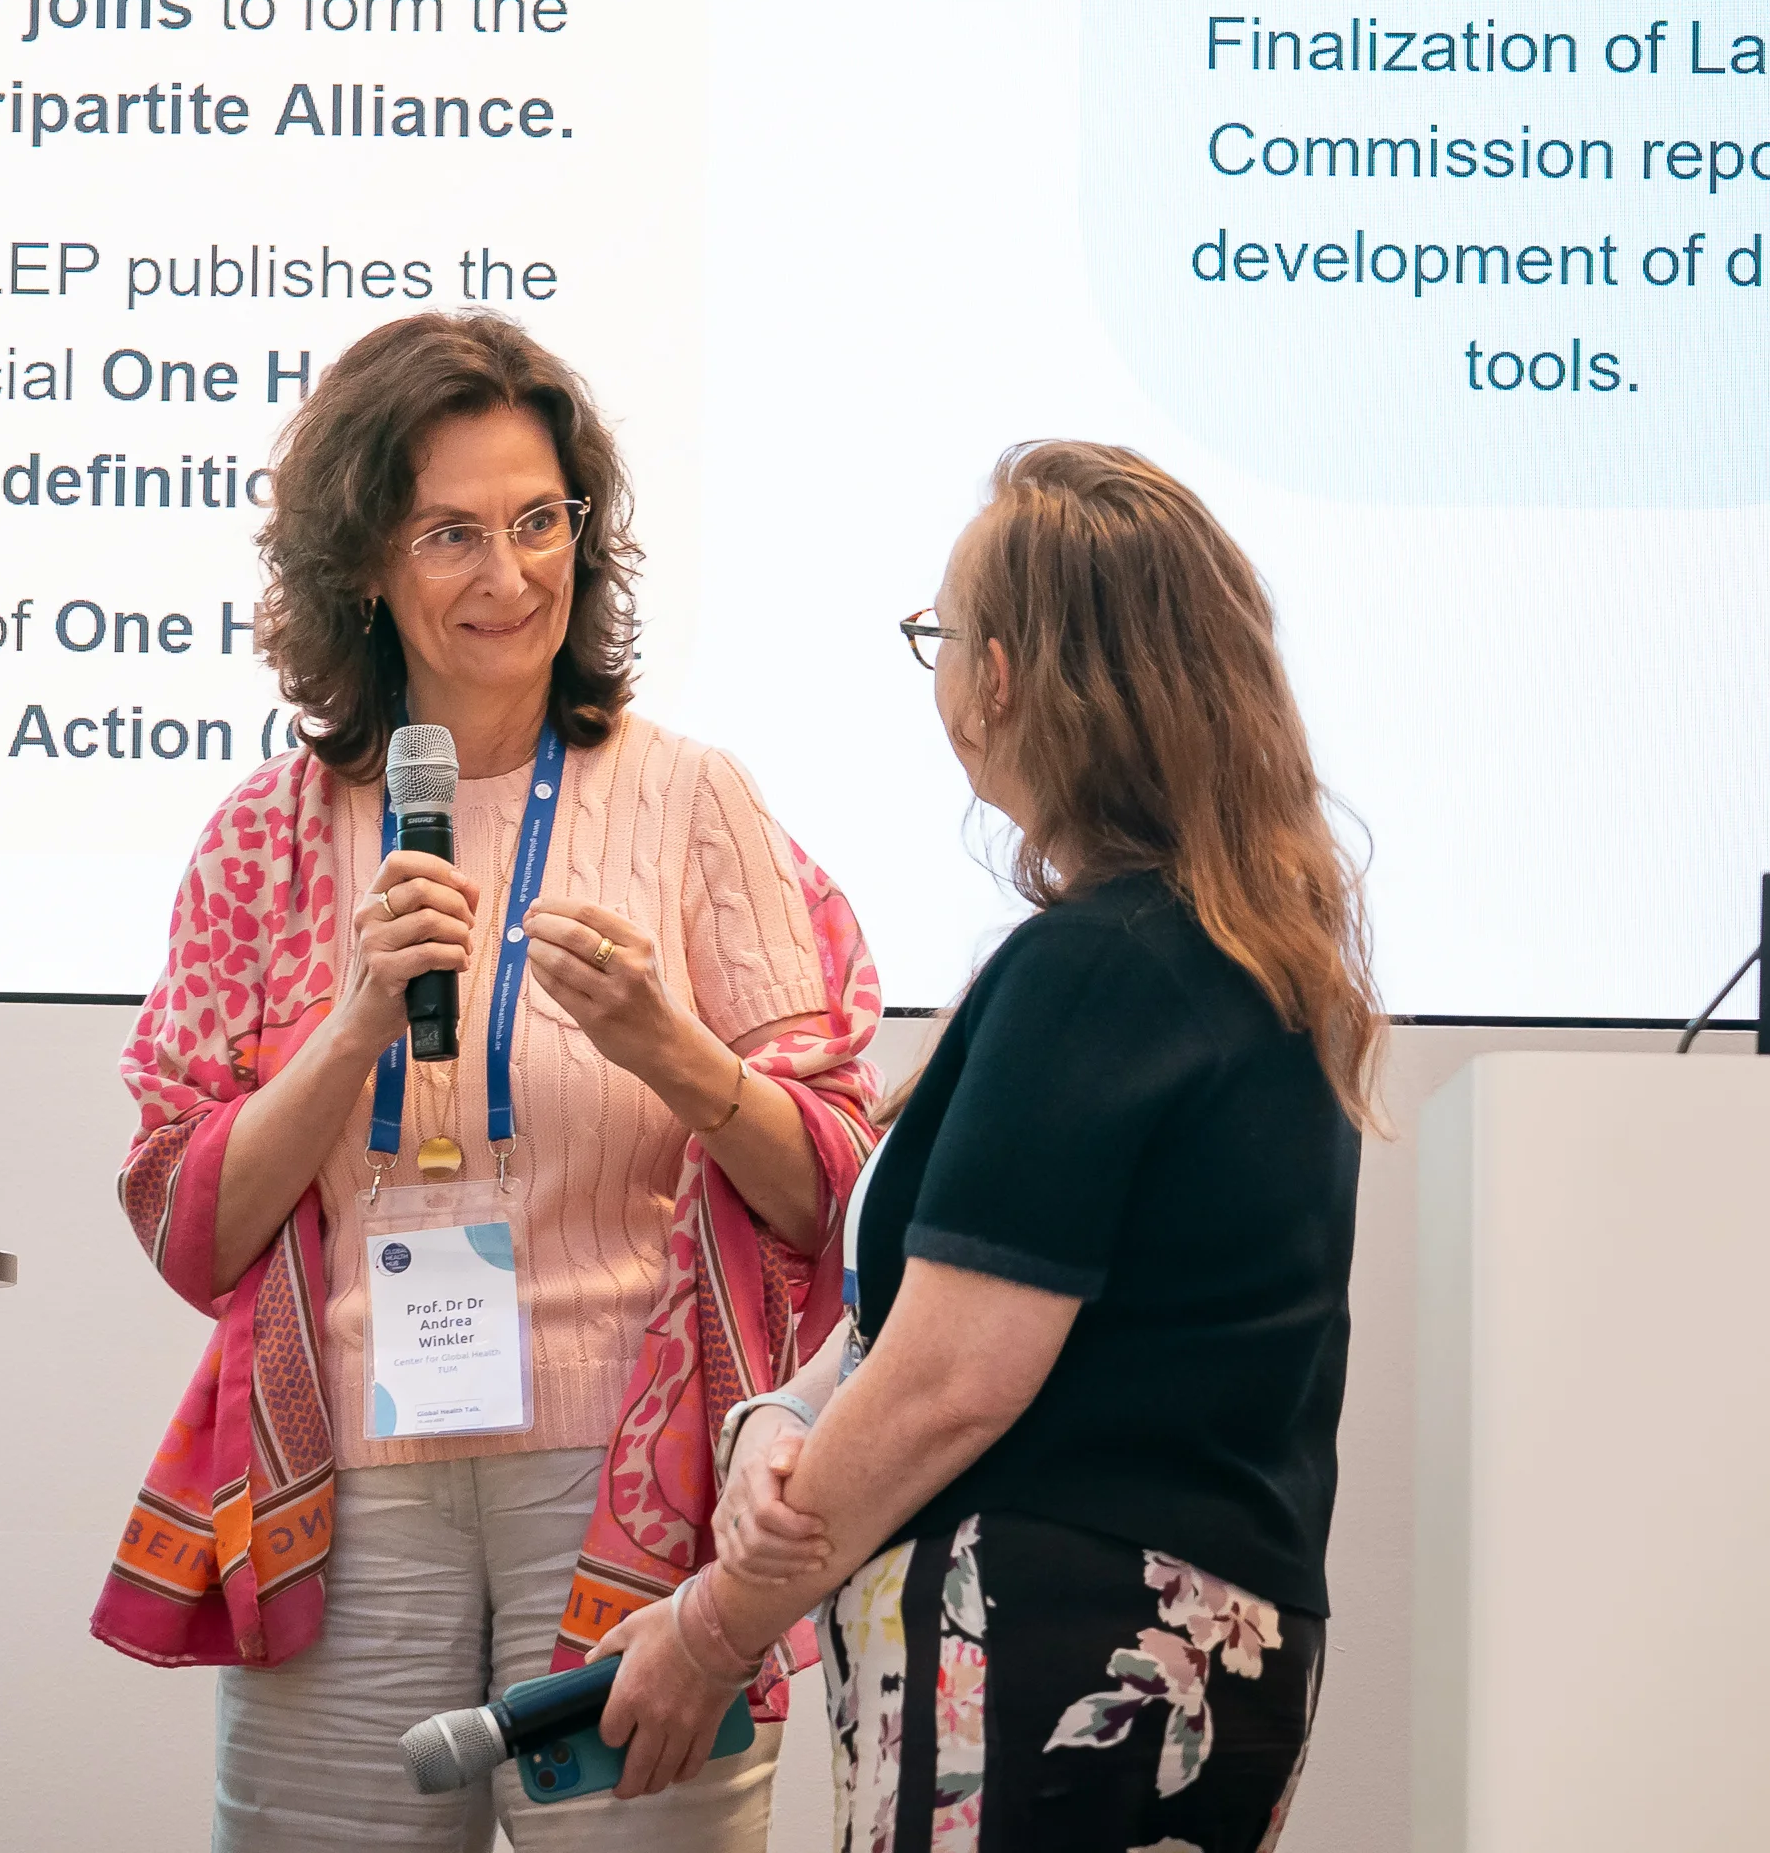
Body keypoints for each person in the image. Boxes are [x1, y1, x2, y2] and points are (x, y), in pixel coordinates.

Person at [95, 311, 885, 1851]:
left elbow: (842, 1193)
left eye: (539, 521)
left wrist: (673, 1052)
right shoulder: (264, 834)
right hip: (347, 1495)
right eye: (450, 532)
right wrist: (354, 1026)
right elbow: (188, 1227)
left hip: (631, 1481)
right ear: (362, 568)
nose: (509, 574)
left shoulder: (692, 798)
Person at [590, 440, 1379, 1853]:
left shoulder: (1095, 970)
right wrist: (779, 1419)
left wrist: (713, 1630)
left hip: (1049, 1640)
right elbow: (917, 1319)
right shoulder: (1246, 964)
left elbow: (952, 1379)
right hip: (1204, 1642)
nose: (939, 671)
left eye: (941, 635)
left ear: (1001, 677)